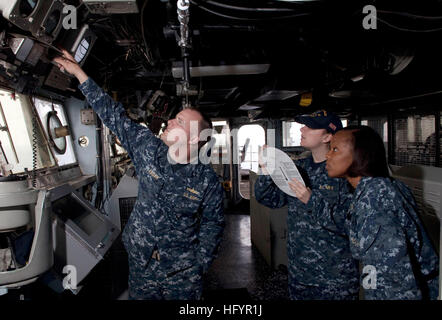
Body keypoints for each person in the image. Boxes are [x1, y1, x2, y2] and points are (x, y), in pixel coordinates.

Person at [54, 50, 224, 300]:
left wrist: (199, 265)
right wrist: (79, 73)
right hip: (141, 265)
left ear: (196, 138)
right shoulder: (149, 148)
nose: (170, 123)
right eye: (174, 118)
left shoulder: (206, 181)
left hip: (181, 273)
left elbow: (214, 224)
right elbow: (113, 115)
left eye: (179, 122)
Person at [255, 110, 359, 300]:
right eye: (304, 124)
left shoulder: (346, 173)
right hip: (299, 275)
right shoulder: (298, 168)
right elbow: (270, 199)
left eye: (310, 126)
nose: (302, 128)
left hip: (334, 279)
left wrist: (311, 200)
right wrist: (265, 170)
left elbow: (353, 226)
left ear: (328, 136)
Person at [326, 125, 439, 300]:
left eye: (335, 149)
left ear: (359, 155)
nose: (328, 155)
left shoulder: (375, 201)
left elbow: (394, 283)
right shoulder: (378, 185)